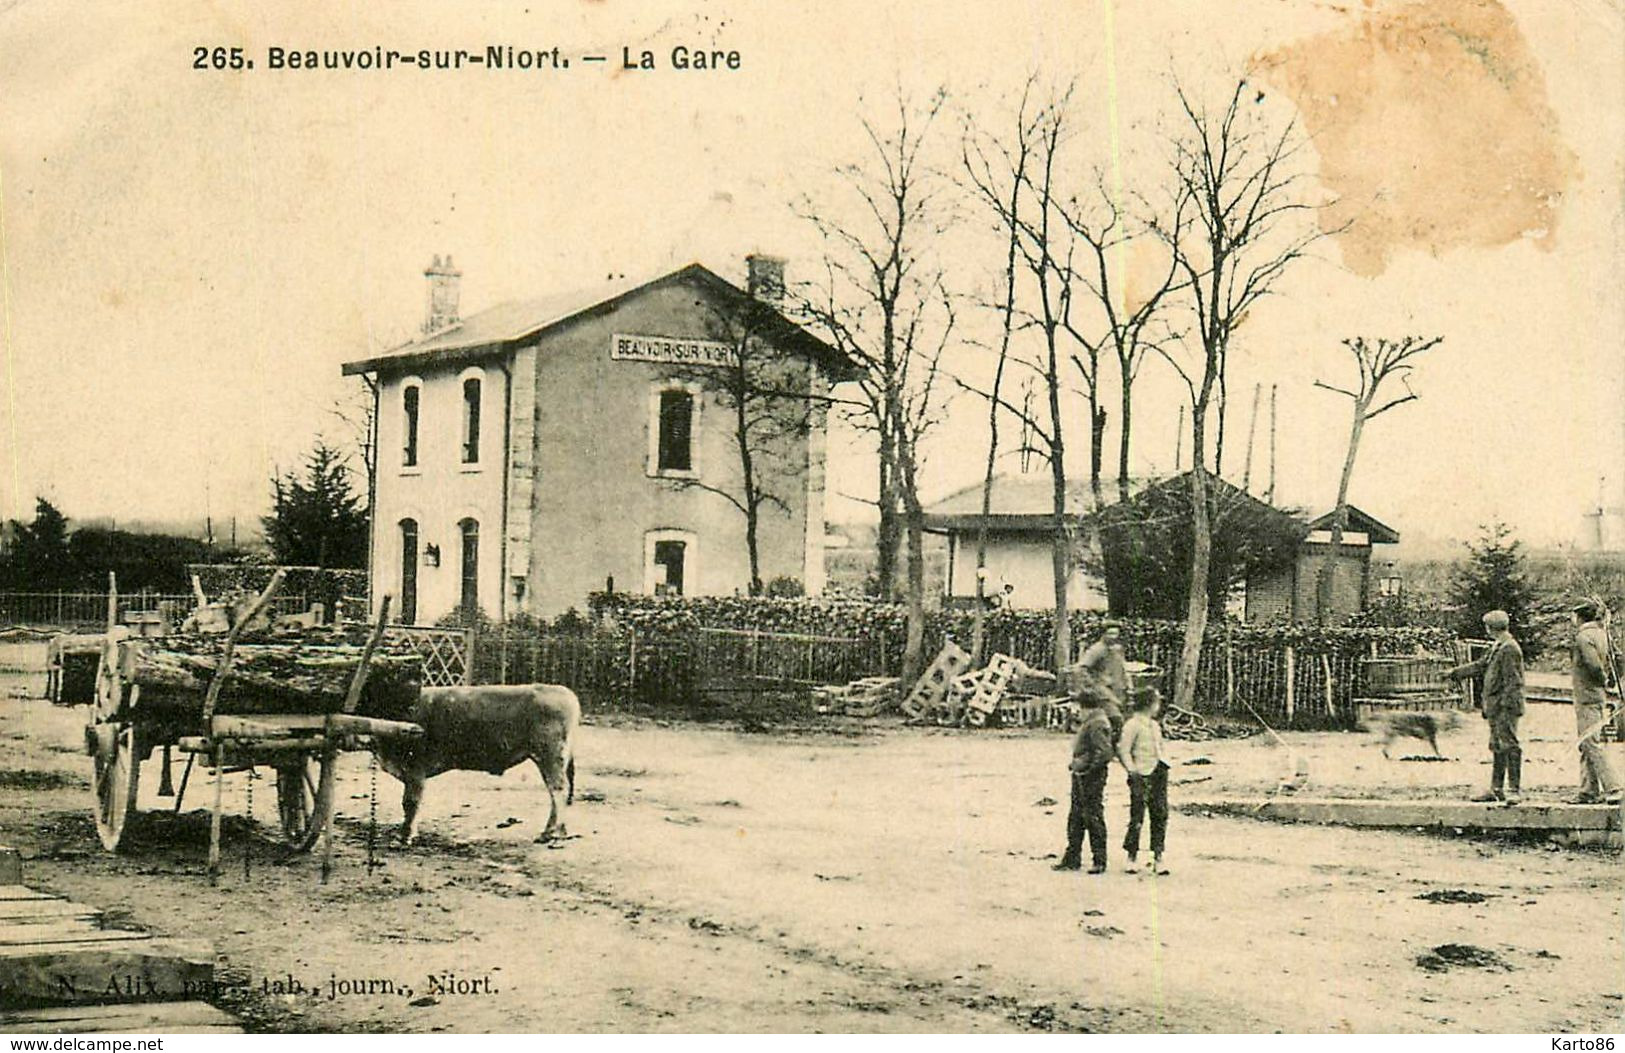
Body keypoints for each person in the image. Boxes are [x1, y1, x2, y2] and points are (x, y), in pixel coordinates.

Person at [1443, 609, 1525, 805]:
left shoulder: (1509, 648)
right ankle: (1496, 789)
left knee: (1510, 744)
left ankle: (1514, 790)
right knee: (1497, 745)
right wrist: (1454, 673)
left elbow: (1514, 682)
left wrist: (1505, 707)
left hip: (1505, 706)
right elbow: (1481, 665)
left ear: (1490, 628)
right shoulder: (1499, 645)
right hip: (1496, 706)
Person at [1568, 601, 1622, 805]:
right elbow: (1619, 659)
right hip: (1596, 696)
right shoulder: (1602, 634)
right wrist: (1610, 682)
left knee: (1591, 742)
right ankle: (1588, 790)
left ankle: (1613, 787)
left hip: (1587, 696)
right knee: (1586, 741)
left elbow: (1592, 665)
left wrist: (1604, 681)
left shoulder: (1583, 637)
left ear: (1579, 616)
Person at [1054, 691, 1114, 874]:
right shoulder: (1094, 721)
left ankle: (1099, 860)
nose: (1077, 712)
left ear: (1086, 707)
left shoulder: (1097, 723)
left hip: (1090, 775)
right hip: (1082, 773)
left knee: (1092, 816)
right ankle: (1073, 857)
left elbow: (1103, 752)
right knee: (1077, 817)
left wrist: (1088, 768)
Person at [1118, 687, 1171, 875]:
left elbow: (1160, 747)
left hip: (1158, 772)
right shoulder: (1132, 725)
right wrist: (1132, 770)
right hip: (1141, 773)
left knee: (1160, 814)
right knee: (1137, 816)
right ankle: (1131, 857)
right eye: (1156, 702)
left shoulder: (1154, 726)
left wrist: (1163, 764)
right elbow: (1123, 749)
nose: (1158, 706)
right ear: (1149, 704)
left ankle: (1158, 857)